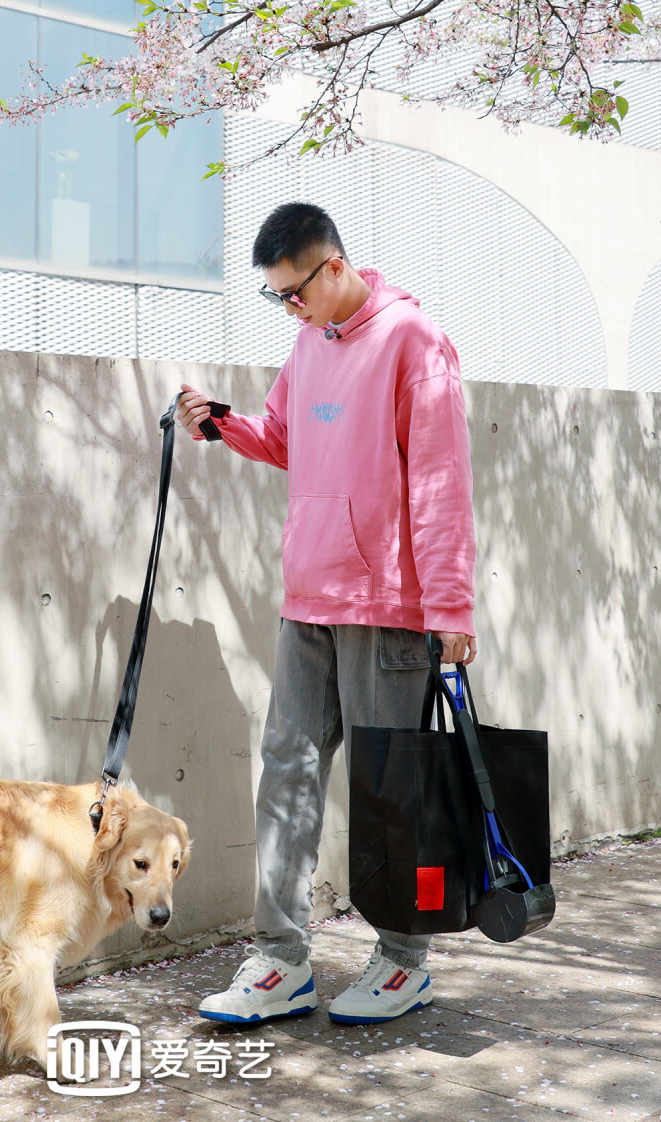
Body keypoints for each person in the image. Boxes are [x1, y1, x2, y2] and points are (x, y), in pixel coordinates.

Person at [178, 201, 476, 1026]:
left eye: (294, 292)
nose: (290, 310)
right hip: (308, 599)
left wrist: (451, 607)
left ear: (334, 267)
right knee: (287, 775)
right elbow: (284, 438)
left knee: (388, 788)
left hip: (389, 607)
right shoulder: (306, 347)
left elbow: (442, 486)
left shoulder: (417, 343)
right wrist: (223, 425)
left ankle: (404, 959)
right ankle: (280, 960)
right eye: (277, 298)